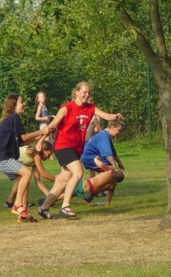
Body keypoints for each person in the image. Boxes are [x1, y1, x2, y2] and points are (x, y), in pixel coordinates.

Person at [39, 82, 123, 219]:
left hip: (76, 147)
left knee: (63, 179)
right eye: (84, 92)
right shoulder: (67, 108)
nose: (87, 94)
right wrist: (40, 142)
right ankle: (65, 206)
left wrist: (116, 116)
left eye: (89, 92)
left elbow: (107, 116)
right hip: (63, 145)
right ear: (76, 92)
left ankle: (43, 208)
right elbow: (53, 124)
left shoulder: (90, 108)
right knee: (78, 172)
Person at [0, 94, 47, 223]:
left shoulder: (11, 119)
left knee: (22, 177)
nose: (24, 103)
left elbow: (21, 142)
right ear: (14, 105)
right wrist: (41, 131)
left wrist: (39, 137)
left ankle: (23, 213)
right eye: (21, 102)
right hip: (1, 158)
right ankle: (17, 205)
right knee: (26, 172)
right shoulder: (14, 117)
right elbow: (25, 137)